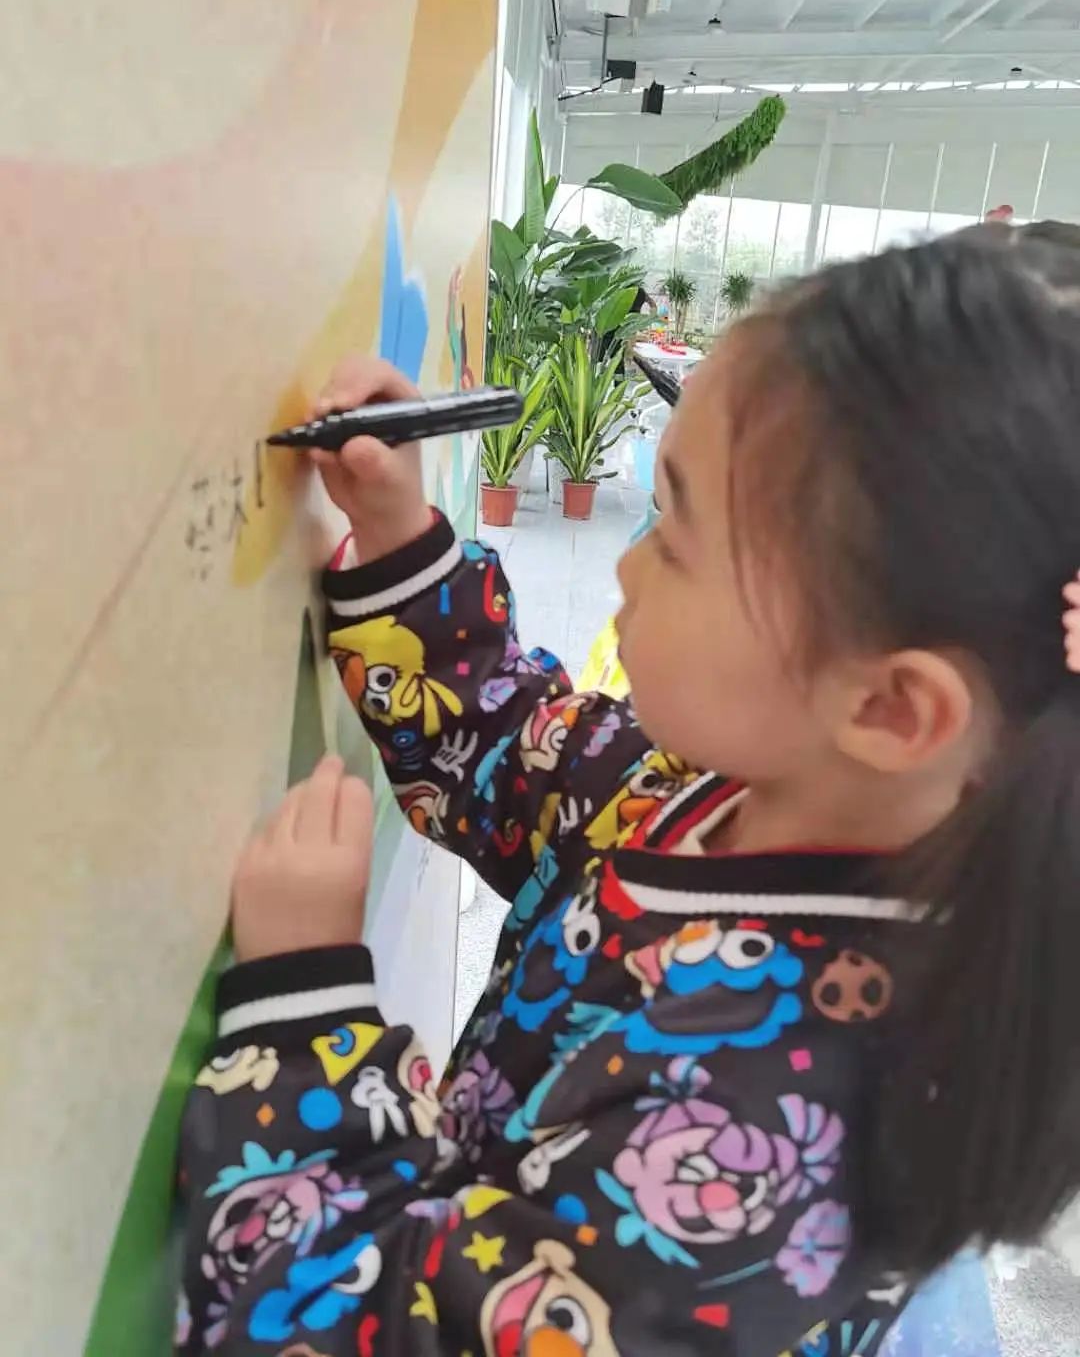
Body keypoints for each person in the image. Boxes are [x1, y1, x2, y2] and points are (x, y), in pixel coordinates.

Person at [176, 226, 1080, 1355]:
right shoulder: (729, 795)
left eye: (677, 536)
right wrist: (399, 533)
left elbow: (351, 1335)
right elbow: (515, 746)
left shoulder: (746, 1151)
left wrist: (305, 1010)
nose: (625, 561)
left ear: (891, 710)